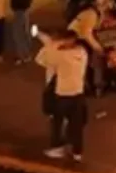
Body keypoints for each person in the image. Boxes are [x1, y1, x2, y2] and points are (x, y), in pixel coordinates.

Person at [36, 29, 89, 162]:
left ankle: (57, 148)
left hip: (62, 95)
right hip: (78, 93)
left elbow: (41, 59)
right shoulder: (82, 52)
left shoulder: (61, 56)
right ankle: (77, 152)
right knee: (76, 124)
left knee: (57, 122)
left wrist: (52, 44)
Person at [8, 0, 35, 64]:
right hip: (21, 10)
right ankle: (26, 54)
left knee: (18, 33)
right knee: (23, 32)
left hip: (20, 10)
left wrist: (16, 6)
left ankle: (22, 55)